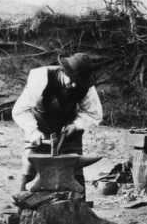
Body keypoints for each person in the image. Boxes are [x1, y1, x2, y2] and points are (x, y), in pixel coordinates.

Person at [12, 52, 102, 195]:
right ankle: (23, 209)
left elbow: (94, 114)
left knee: (74, 168)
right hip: (39, 126)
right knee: (32, 165)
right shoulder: (41, 77)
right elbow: (20, 110)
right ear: (63, 70)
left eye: (78, 82)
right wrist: (33, 131)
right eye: (71, 79)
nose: (74, 85)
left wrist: (77, 125)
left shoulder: (86, 85)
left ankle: (79, 209)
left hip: (69, 130)